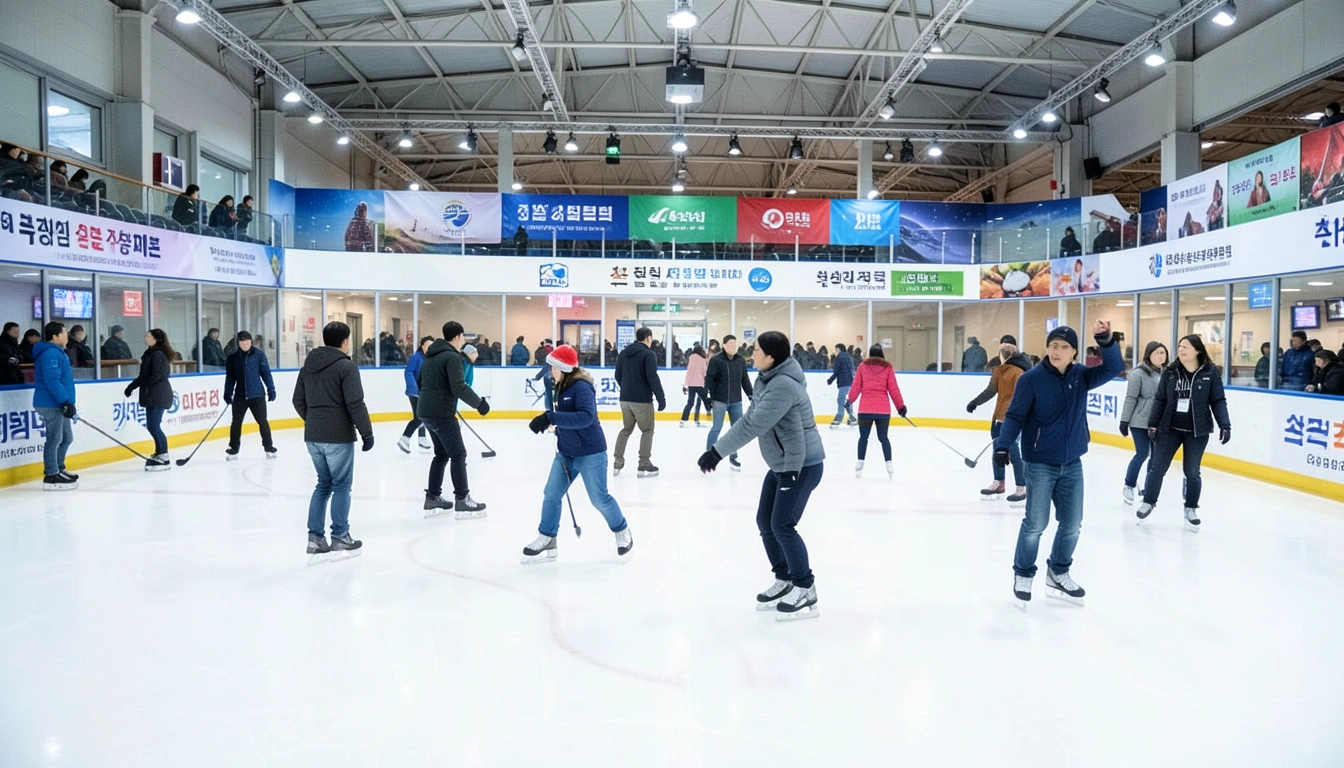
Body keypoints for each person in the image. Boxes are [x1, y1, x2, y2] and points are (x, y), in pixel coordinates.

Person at [697, 331, 825, 621]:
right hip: (783, 463)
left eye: (755, 350)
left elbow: (752, 425)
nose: (750, 353)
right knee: (765, 521)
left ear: (770, 357)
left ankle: (805, 587)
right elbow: (750, 419)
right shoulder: (766, 378)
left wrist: (716, 452)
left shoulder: (782, 386)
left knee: (782, 524)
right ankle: (785, 577)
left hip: (801, 464)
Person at [995, 320, 1122, 608]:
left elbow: (1113, 368)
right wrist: (1003, 446)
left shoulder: (1081, 376)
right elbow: (1014, 416)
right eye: (1053, 345)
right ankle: (1023, 574)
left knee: (1072, 525)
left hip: (1072, 463)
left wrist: (1106, 341)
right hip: (1039, 462)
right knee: (1036, 524)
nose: (1057, 351)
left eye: (1064, 347)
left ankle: (1059, 572)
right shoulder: (1031, 379)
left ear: (1074, 353)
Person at [523, 344, 634, 563]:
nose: (549, 372)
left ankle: (622, 532)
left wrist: (551, 418)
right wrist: (551, 423)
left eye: (552, 368)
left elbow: (585, 417)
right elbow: (561, 415)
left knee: (599, 499)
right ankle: (547, 537)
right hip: (566, 452)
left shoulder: (581, 387)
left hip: (590, 452)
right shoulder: (559, 386)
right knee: (551, 494)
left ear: (563, 368)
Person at [292, 321, 373, 559]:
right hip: (338, 436)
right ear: (345, 341)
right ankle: (340, 535)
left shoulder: (308, 367)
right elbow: (355, 402)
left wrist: (315, 420)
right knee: (340, 486)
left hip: (313, 436)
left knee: (323, 484)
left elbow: (298, 401)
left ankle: (315, 538)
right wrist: (366, 432)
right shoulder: (346, 367)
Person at [1136, 335, 1231, 530]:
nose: (1181, 350)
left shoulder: (1209, 372)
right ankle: (1148, 501)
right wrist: (1153, 424)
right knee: (1157, 468)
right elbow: (1160, 399)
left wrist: (1225, 424)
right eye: (1179, 346)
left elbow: (1218, 400)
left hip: (1197, 432)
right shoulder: (1171, 371)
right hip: (1169, 429)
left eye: (1185, 347)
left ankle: (1190, 508)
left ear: (1197, 350)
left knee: (1192, 472)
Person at [418, 321, 490, 517]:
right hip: (441, 413)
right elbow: (459, 386)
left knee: (441, 454)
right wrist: (480, 404)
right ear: (458, 337)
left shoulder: (430, 357)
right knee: (458, 454)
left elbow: (420, 382)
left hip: (425, 411)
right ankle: (462, 498)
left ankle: (433, 497)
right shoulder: (452, 357)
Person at [967, 336, 1030, 504]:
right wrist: (975, 402)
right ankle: (999, 482)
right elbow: (990, 391)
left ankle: (1021, 486)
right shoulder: (999, 371)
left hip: (1013, 418)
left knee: (1013, 452)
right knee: (997, 451)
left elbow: (1025, 396)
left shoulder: (1020, 372)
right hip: (998, 417)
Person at [1118, 341, 1168, 505]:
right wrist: (1125, 420)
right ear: (1149, 354)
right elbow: (1131, 397)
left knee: (1156, 458)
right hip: (1140, 421)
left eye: (1163, 353)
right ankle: (1129, 485)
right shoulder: (1138, 373)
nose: (1161, 356)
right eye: (1157, 353)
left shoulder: (1167, 373)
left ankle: (1149, 488)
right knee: (1142, 454)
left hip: (1159, 422)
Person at [847, 345, 907, 479]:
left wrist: (849, 400)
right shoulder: (888, 368)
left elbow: (856, 387)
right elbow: (894, 389)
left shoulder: (862, 367)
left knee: (863, 438)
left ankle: (859, 464)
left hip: (865, 410)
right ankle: (889, 465)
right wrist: (900, 407)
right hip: (883, 411)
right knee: (883, 438)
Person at [613, 326, 665, 477]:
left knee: (626, 429)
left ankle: (617, 462)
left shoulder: (623, 353)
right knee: (647, 431)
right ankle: (644, 464)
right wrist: (661, 399)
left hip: (625, 399)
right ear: (648, 338)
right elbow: (652, 378)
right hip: (642, 400)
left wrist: (627, 388)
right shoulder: (648, 354)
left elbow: (618, 375)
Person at [32, 321, 78, 490]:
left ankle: (59, 468)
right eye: (65, 333)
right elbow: (52, 381)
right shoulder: (50, 353)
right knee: (55, 439)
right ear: (55, 336)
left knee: (67, 438)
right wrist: (65, 401)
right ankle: (51, 475)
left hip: (59, 402)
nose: (67, 335)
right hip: (51, 403)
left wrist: (67, 402)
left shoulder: (58, 352)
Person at [123, 329, 175, 470]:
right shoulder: (150, 354)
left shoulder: (157, 354)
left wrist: (142, 385)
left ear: (156, 339)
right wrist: (131, 387)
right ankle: (159, 453)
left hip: (158, 394)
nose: (145, 338)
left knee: (154, 426)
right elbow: (143, 376)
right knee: (152, 425)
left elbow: (157, 375)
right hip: (152, 394)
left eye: (148, 336)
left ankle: (164, 456)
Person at [223, 331, 277, 459]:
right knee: (236, 422)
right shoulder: (232, 358)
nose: (245, 343)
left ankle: (268, 446)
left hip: (257, 395)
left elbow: (266, 373)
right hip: (240, 396)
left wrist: (271, 389)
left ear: (251, 341)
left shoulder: (259, 355)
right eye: (242, 341)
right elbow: (230, 377)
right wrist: (228, 392)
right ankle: (234, 447)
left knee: (262, 421)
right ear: (238, 343)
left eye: (247, 340)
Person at [705, 333, 754, 472]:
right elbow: (709, 378)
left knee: (736, 430)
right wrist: (708, 396)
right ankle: (709, 455)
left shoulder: (740, 361)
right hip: (719, 400)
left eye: (735, 344)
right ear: (724, 345)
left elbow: (745, 379)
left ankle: (733, 456)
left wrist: (751, 394)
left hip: (736, 401)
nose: (733, 346)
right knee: (716, 428)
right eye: (730, 344)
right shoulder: (716, 360)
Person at [398, 336, 435, 454]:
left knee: (421, 415)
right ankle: (405, 438)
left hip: (424, 392)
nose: (430, 348)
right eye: (428, 346)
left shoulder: (430, 358)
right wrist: (414, 389)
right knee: (420, 417)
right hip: (415, 392)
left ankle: (422, 438)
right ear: (422, 346)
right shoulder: (416, 357)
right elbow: (408, 372)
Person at [826, 340, 857, 428]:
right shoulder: (849, 357)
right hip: (850, 382)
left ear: (839, 349)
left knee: (840, 400)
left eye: (836, 350)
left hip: (844, 382)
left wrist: (830, 380)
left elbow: (837, 371)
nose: (835, 352)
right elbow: (852, 370)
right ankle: (852, 418)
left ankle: (839, 417)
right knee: (847, 401)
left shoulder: (839, 358)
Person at [681, 344, 711, 427]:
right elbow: (704, 372)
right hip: (700, 384)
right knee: (706, 401)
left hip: (691, 385)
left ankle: (683, 420)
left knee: (690, 403)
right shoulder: (701, 360)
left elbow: (689, 372)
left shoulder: (691, 359)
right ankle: (709, 420)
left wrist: (685, 385)